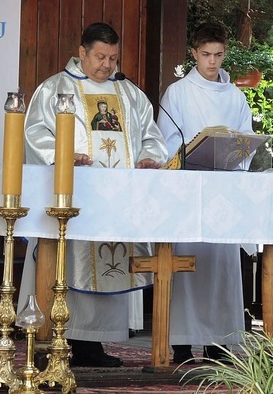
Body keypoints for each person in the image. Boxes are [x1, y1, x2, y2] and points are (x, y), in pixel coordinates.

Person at [22, 22, 168, 367]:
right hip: (74, 196)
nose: (107, 64)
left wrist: (151, 157)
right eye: (100, 56)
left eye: (113, 58)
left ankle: (95, 342)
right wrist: (61, 156)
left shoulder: (129, 93)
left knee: (110, 263)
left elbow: (152, 136)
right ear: (82, 52)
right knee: (70, 263)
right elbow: (34, 135)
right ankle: (60, 339)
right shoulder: (56, 89)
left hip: (118, 198)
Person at [157, 22, 253, 364]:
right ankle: (182, 345)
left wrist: (233, 153)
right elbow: (167, 142)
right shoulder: (178, 92)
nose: (213, 62)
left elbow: (247, 141)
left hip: (223, 191)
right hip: (189, 191)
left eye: (219, 55)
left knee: (220, 272)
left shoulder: (237, 96)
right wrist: (191, 152)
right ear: (194, 54)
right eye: (206, 55)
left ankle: (219, 343)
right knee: (187, 269)